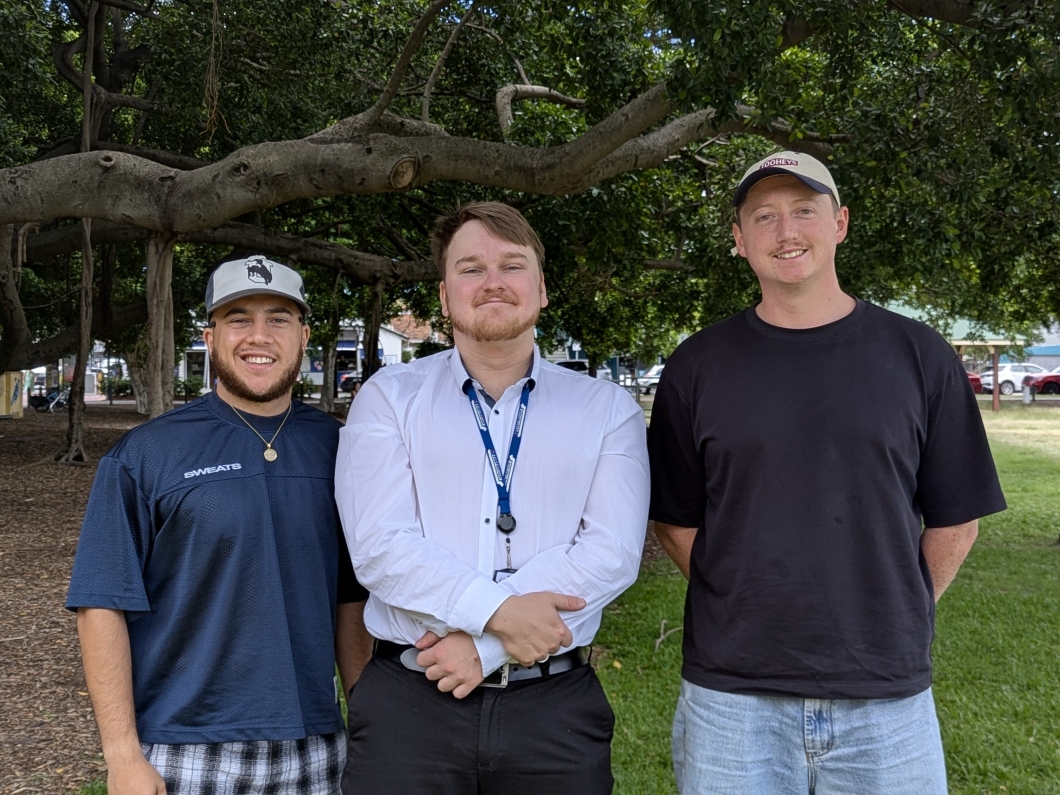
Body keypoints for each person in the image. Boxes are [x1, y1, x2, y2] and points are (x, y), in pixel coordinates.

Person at [648, 151, 1007, 794]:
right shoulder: (695, 367)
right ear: (738, 240)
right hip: (732, 698)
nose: (786, 232)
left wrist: (898, 611)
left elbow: (956, 519)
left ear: (839, 223)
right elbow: (676, 521)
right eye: (764, 216)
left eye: (804, 212)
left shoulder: (919, 355)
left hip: (885, 700)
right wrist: (746, 598)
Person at [335, 201, 649, 794]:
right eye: (471, 268)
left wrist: (484, 645)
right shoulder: (388, 398)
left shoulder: (607, 410)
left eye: (513, 264)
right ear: (446, 295)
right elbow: (379, 547)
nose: (494, 282)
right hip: (411, 704)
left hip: (552, 708)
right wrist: (503, 615)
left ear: (542, 289)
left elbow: (610, 554)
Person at [67, 255, 373, 794]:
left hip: (317, 743)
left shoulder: (341, 448)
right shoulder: (145, 455)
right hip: (184, 746)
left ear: (303, 336)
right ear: (209, 337)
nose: (260, 335)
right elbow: (101, 605)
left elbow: (353, 599)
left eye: (279, 318)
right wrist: (121, 756)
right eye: (238, 318)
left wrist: (372, 730)